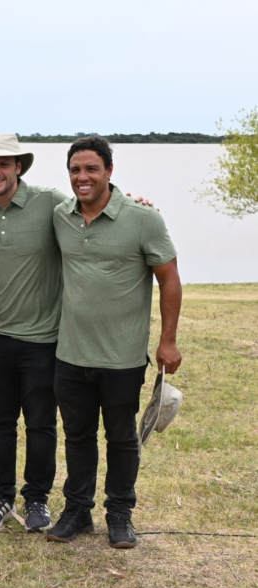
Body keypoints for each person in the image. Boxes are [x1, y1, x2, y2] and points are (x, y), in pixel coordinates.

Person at [46, 136, 182, 549]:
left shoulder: (143, 220)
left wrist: (168, 341)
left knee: (121, 438)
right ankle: (77, 511)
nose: (82, 177)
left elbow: (170, 280)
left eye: (91, 169)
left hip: (122, 357)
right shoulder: (59, 217)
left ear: (109, 171)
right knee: (77, 436)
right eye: (75, 170)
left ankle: (120, 513)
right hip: (69, 354)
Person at [0, 134, 69, 532]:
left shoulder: (50, 201)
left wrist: (136, 206)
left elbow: (95, 210)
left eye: (3, 165)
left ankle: (38, 500)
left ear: (18, 167)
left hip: (44, 339)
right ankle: (0, 496)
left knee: (41, 424)